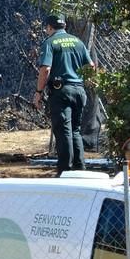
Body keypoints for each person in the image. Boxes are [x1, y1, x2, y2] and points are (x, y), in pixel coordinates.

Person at [34, 14, 95, 176]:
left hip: (61, 92)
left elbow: (45, 69)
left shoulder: (50, 42)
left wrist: (38, 92)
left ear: (49, 27)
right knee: (75, 130)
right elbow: (91, 66)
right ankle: (79, 169)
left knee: (63, 131)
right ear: (65, 26)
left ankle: (64, 171)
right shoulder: (78, 42)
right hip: (79, 90)